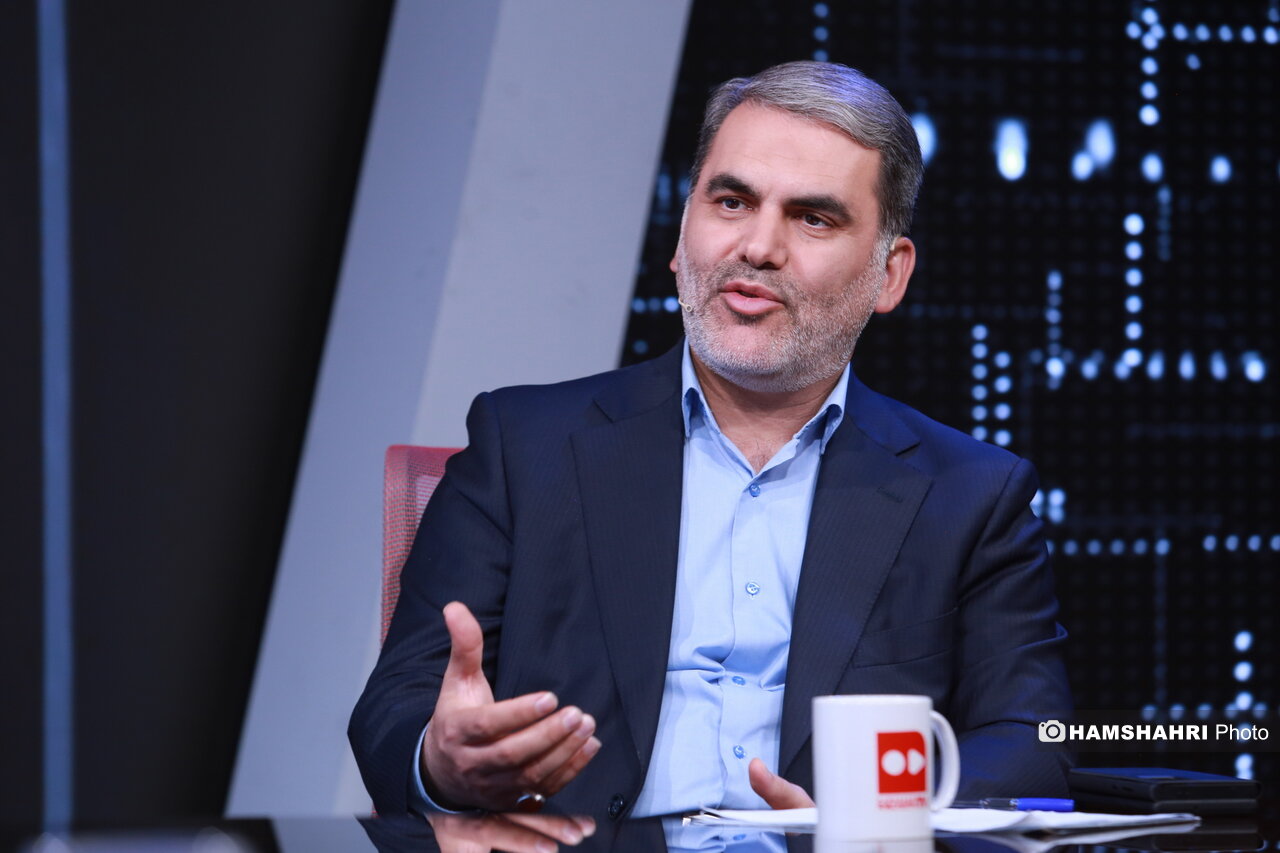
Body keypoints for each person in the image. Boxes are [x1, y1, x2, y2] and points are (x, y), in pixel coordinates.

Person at [350, 60, 1071, 821]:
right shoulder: (522, 447)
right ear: (681, 234)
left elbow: (1034, 739)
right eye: (732, 201)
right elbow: (400, 703)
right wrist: (442, 762)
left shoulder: (971, 496)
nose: (758, 247)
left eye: (813, 218)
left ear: (889, 275)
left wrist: (866, 812)